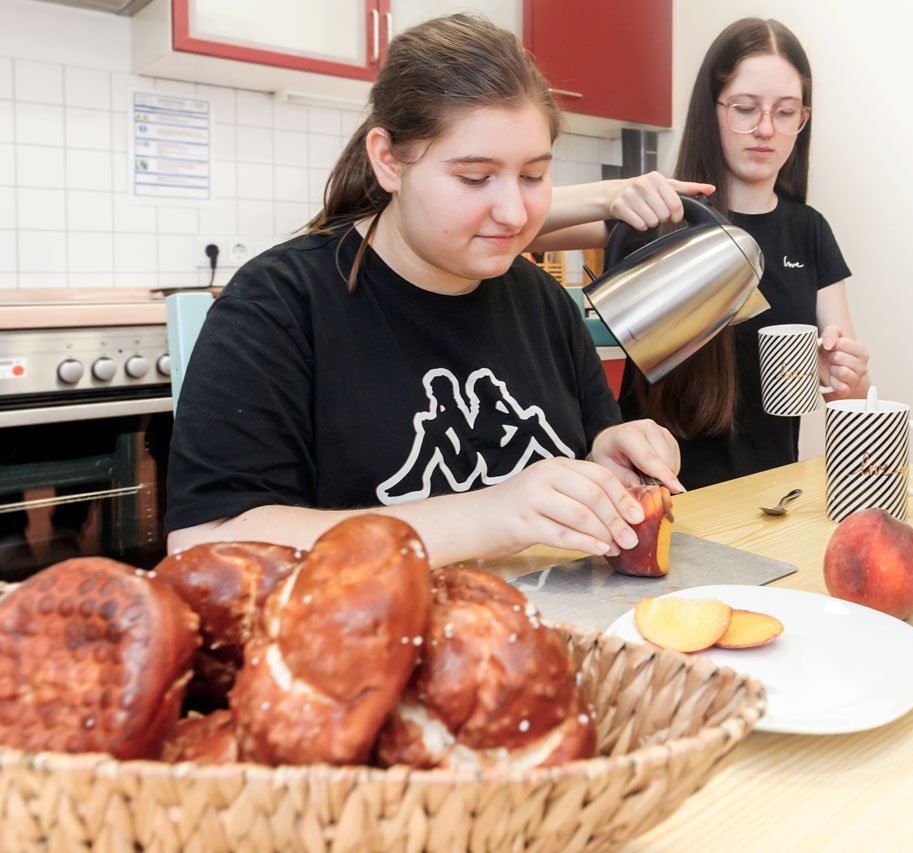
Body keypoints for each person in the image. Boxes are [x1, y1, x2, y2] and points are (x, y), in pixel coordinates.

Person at [164, 14, 682, 566]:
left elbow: (586, 458)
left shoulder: (546, 303)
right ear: (389, 160)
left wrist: (608, 461)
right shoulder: (281, 304)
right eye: (474, 178)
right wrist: (488, 516)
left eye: (533, 176)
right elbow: (207, 542)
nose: (513, 213)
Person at [535, 18, 872, 490]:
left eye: (785, 112)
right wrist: (612, 196)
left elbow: (845, 394)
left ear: (803, 121)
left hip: (769, 499)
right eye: (745, 108)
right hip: (657, 499)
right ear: (712, 110)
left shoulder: (810, 230)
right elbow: (515, 224)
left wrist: (847, 377)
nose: (764, 129)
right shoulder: (663, 212)